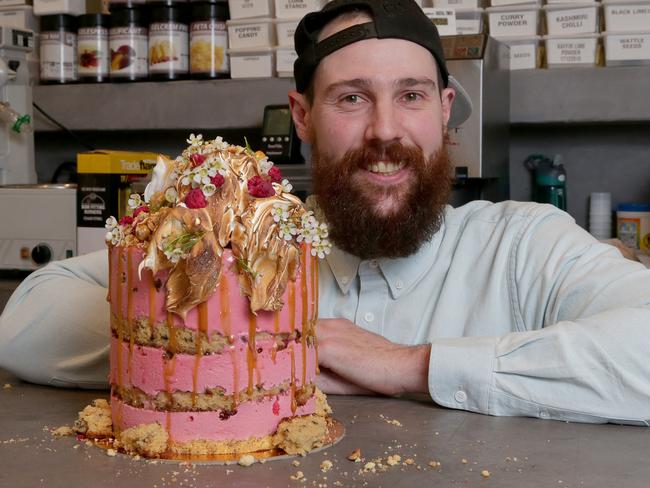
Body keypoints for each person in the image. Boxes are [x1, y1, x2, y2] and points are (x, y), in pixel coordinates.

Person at [1, 0, 650, 425]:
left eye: (412, 96)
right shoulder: (238, 242)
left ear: (445, 109)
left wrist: (410, 366)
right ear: (304, 116)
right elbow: (27, 322)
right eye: (351, 99)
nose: (386, 130)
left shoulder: (521, 246)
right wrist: (248, 349)